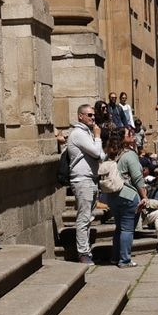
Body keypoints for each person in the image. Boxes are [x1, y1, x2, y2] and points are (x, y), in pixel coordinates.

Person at [66, 104, 103, 265]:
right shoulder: (78, 133)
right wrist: (98, 137)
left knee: (88, 217)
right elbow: (96, 152)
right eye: (89, 115)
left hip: (91, 179)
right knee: (84, 218)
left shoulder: (87, 133)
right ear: (80, 116)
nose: (93, 118)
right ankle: (83, 253)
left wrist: (96, 142)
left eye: (93, 115)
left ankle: (86, 250)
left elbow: (101, 155)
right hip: (82, 180)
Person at [105, 128, 147, 269]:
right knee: (127, 229)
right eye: (129, 134)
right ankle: (125, 260)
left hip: (112, 196)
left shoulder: (110, 155)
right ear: (123, 139)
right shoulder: (129, 155)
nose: (133, 135)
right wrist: (144, 197)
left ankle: (115, 257)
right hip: (128, 195)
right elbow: (137, 178)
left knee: (120, 228)